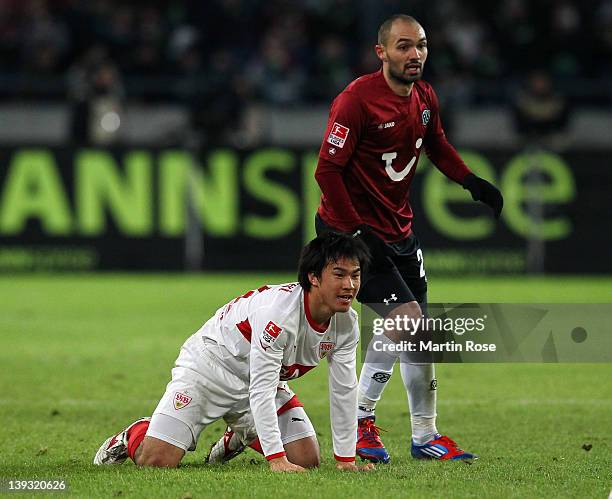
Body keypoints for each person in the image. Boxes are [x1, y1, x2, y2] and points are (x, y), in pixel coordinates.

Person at [313, 14, 503, 463]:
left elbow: (435, 143)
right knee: (408, 319)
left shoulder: (424, 97)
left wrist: (471, 181)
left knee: (418, 335)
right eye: (403, 46)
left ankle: (425, 437)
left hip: (399, 231)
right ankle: (359, 424)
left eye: (420, 45)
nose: (414, 54)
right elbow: (327, 170)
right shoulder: (356, 101)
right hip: (353, 232)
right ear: (382, 53)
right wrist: (354, 231)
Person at [93, 232, 373, 473]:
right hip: (208, 370)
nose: (349, 285)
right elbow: (262, 388)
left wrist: (345, 459)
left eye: (355, 275)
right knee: (156, 461)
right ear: (313, 277)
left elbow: (345, 389)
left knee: (306, 460)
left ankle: (236, 436)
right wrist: (276, 459)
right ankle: (133, 433)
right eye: (339, 275)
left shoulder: (346, 324)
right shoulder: (278, 316)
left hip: (257, 383)